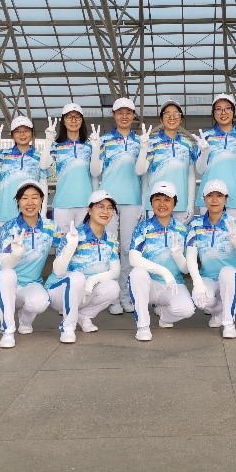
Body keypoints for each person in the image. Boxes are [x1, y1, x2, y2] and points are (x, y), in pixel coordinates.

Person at [0, 180, 63, 349]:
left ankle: (25, 321)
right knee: (8, 275)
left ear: (42, 200)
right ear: (18, 202)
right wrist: (15, 254)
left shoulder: (50, 227)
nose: (30, 202)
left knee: (41, 302)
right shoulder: (8, 228)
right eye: (24, 198)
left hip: (29, 284)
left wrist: (73, 242)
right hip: (1, 283)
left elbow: (64, 249)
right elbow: (4, 264)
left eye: (34, 197)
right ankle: (8, 331)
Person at [90, 97, 144, 314]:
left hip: (132, 200)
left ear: (133, 116)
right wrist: (95, 148)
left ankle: (125, 295)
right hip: (108, 202)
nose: (124, 116)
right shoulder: (103, 141)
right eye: (120, 112)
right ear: (114, 115)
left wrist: (143, 201)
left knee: (128, 249)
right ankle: (111, 298)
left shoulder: (141, 141)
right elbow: (95, 172)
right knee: (110, 248)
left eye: (128, 112)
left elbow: (144, 174)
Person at [46, 190, 121, 343]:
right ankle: (68, 327)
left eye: (109, 208)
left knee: (113, 288)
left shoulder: (111, 238)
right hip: (59, 290)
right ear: (89, 210)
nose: (105, 211)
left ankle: (84, 316)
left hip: (86, 290)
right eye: (100, 207)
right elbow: (58, 270)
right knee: (77, 278)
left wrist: (92, 281)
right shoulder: (74, 234)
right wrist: (71, 245)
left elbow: (115, 271)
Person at [127, 181, 195, 341]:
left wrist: (178, 255)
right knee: (137, 273)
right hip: (148, 284)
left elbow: (186, 269)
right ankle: (143, 327)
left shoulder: (183, 229)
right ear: (151, 202)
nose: (162, 204)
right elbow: (133, 258)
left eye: (167, 200)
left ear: (174, 203)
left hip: (173, 284)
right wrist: (164, 272)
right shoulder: (142, 228)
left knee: (187, 310)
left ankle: (164, 316)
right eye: (157, 199)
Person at [186, 179, 236, 339]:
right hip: (209, 277)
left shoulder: (235, 223)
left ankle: (228, 323)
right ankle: (221, 310)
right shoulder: (196, 224)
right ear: (204, 198)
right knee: (200, 300)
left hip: (235, 278)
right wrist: (197, 282)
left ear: (226, 199)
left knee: (227, 272)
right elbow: (190, 256)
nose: (214, 200)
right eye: (210, 196)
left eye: (219, 196)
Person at [135, 100, 199, 223]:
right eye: (167, 114)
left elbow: (191, 176)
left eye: (176, 114)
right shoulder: (151, 143)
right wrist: (144, 204)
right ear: (161, 119)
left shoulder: (188, 144)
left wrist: (190, 204)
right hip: (155, 206)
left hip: (181, 205)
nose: (172, 117)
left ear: (181, 119)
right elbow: (143, 175)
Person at [194, 93, 236, 219]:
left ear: (233, 111)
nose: (223, 112)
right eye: (218, 109)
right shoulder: (205, 137)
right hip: (209, 199)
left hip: (235, 200)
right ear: (213, 113)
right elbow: (200, 170)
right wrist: (204, 152)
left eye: (227, 108)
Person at [0, 115, 47, 223]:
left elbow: (43, 185)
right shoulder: (3, 154)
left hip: (30, 215)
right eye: (17, 131)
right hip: (4, 214)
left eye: (26, 131)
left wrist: (43, 213)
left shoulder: (39, 157)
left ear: (32, 133)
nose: (22, 134)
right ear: (11, 135)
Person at [43, 103, 93, 230]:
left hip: (85, 203)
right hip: (62, 204)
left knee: (84, 241)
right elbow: (43, 165)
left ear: (82, 121)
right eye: (69, 117)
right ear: (63, 121)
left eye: (77, 117)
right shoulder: (56, 146)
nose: (73, 120)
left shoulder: (90, 145)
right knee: (62, 241)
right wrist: (48, 141)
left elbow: (95, 173)